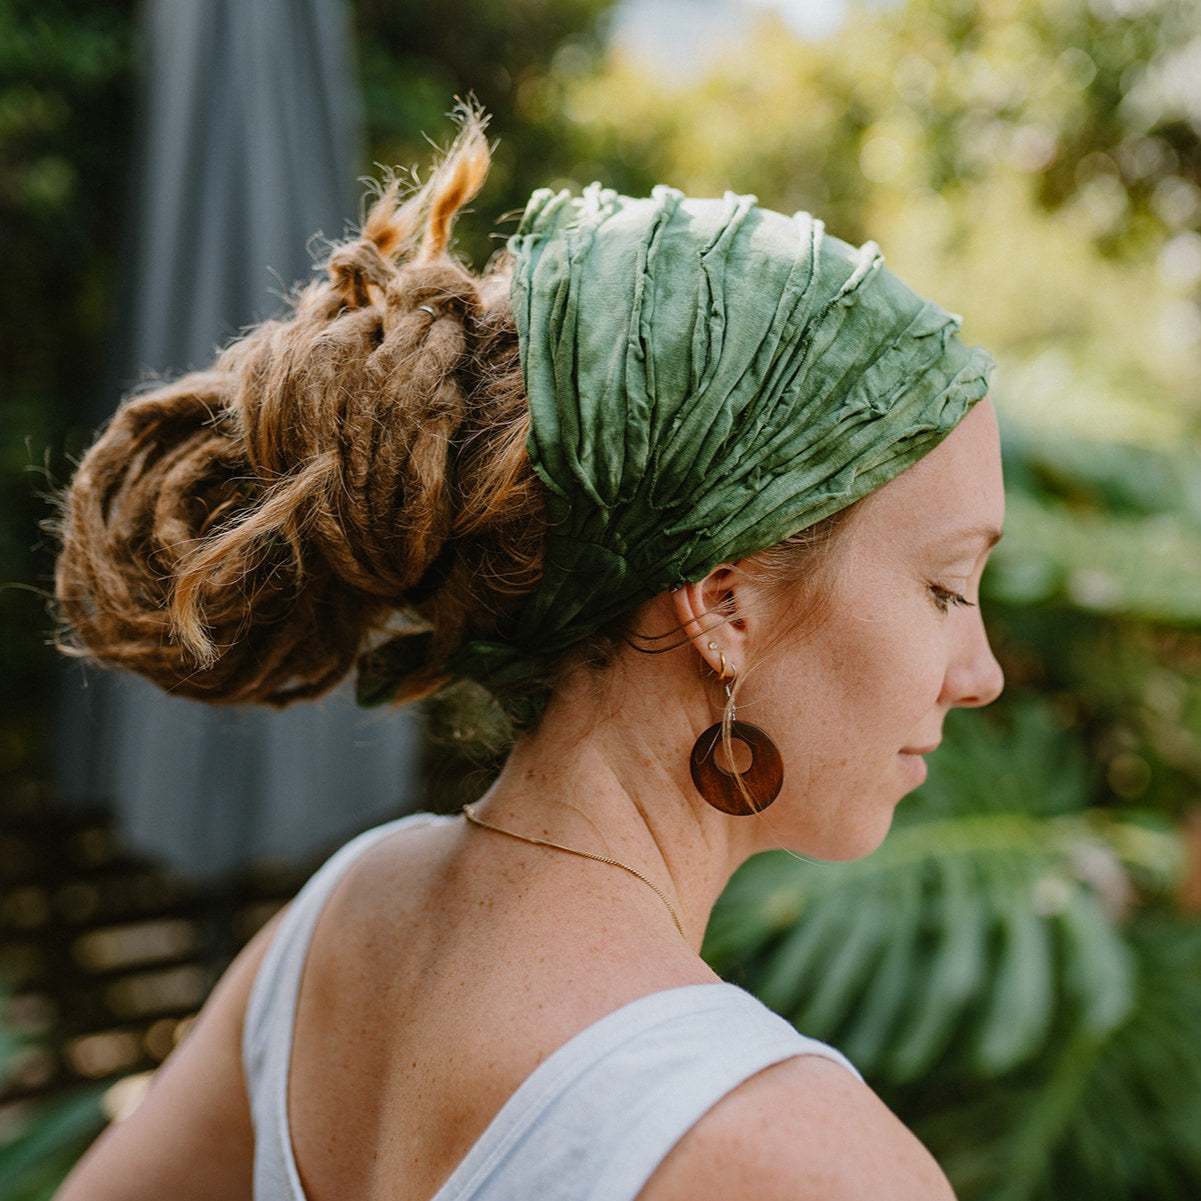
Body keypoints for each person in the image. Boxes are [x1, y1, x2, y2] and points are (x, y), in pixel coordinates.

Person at [53, 111, 1004, 1200]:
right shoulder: (795, 1156)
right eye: (943, 587)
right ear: (725, 602)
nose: (979, 672)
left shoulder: (330, 935)